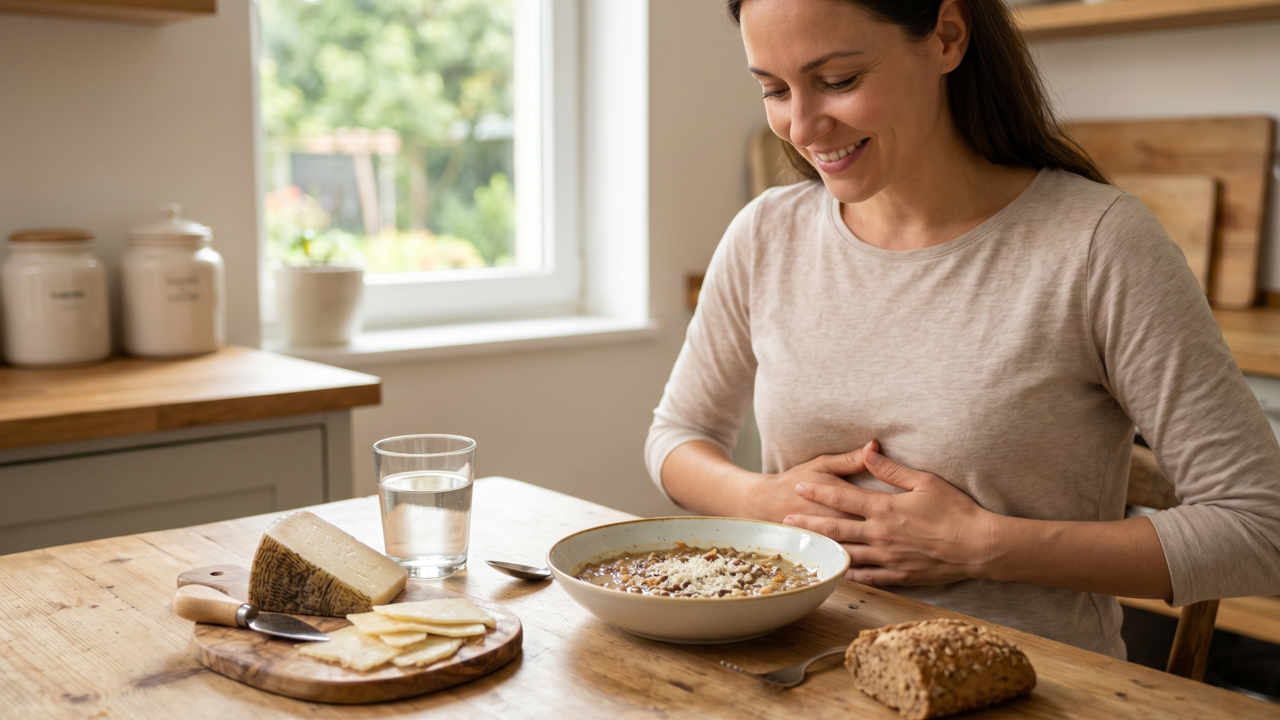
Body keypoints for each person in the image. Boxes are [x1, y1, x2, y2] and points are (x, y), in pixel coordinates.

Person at [644, 0, 1280, 659]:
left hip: (1033, 691)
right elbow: (676, 437)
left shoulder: (1097, 246)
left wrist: (983, 545)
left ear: (947, 36)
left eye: (838, 80)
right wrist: (762, 498)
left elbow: (1261, 530)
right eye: (774, 90)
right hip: (792, 673)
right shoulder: (765, 233)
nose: (801, 126)